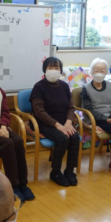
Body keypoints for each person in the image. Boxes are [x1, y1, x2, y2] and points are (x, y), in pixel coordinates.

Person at [30, 57, 80, 187]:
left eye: (56, 68)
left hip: (64, 121)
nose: (53, 70)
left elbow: (71, 107)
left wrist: (68, 122)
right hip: (44, 122)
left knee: (74, 137)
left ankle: (70, 170)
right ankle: (56, 172)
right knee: (63, 138)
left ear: (61, 71)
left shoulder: (64, 86)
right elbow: (39, 112)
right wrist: (57, 125)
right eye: (50, 68)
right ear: (44, 70)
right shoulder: (39, 87)